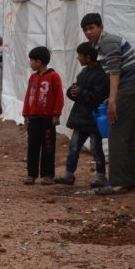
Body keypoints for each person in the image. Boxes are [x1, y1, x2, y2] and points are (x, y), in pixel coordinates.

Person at [81, 12, 135, 194]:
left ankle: (118, 183)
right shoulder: (100, 44)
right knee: (126, 134)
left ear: (101, 27)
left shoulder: (108, 42)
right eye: (85, 29)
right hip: (133, 85)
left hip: (131, 85)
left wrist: (112, 99)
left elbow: (115, 72)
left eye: (92, 28)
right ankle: (129, 179)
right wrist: (112, 96)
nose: (88, 32)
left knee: (117, 132)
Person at [55, 42, 109, 187]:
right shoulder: (84, 73)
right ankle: (69, 174)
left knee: (96, 149)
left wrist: (79, 93)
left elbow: (97, 97)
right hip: (81, 118)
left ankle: (101, 176)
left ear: (88, 57)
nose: (78, 58)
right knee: (73, 148)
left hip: (93, 119)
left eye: (80, 56)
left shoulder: (101, 76)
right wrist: (71, 92)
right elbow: (76, 90)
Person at [21, 46, 64, 185]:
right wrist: (26, 114)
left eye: (32, 61)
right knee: (33, 146)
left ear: (38, 62)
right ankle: (31, 174)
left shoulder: (53, 76)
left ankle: (48, 175)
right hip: (34, 118)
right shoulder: (32, 78)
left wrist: (56, 114)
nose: (30, 63)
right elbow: (29, 96)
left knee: (48, 146)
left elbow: (59, 97)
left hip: (47, 118)